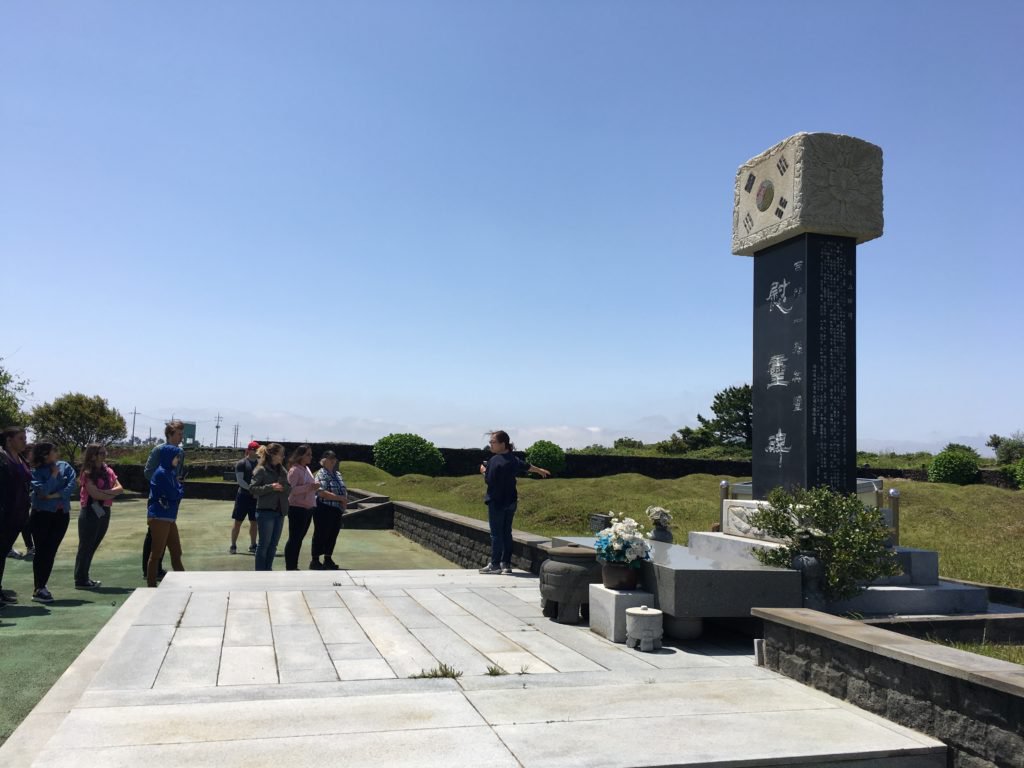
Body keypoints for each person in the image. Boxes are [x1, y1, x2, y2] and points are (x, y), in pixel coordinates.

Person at [478, 430, 550, 575]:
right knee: (506, 533)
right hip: (511, 501)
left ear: (502, 444)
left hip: (497, 502)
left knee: (496, 534)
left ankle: (495, 564)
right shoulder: (513, 459)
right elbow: (526, 466)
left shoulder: (494, 460)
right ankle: (506, 564)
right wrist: (540, 470)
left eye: (493, 442)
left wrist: (483, 471)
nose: (490, 445)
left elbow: (490, 481)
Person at [28, 442, 77, 603]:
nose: (57, 453)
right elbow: (42, 491)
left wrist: (55, 495)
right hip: (41, 515)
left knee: (51, 550)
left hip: (61, 514)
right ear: (44, 455)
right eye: (53, 451)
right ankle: (39, 587)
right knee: (42, 551)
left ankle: (42, 585)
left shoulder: (65, 466)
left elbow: (72, 485)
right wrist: (54, 476)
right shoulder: (35, 471)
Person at [75, 443, 123, 589]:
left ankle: (85, 577)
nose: (105, 455)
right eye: (101, 453)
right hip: (90, 511)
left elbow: (120, 488)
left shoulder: (108, 470)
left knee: (93, 545)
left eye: (105, 453)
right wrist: (110, 492)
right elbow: (94, 494)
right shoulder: (87, 473)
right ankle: (80, 579)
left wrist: (106, 493)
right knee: (86, 546)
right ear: (93, 455)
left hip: (105, 511)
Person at [142, 420, 185, 579]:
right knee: (154, 536)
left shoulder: (180, 452)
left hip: (172, 501)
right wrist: (164, 483)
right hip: (159, 500)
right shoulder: (159, 450)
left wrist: (176, 482)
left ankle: (159, 570)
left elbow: (177, 475)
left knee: (169, 539)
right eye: (179, 434)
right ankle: (150, 572)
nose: (181, 437)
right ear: (170, 434)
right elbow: (148, 472)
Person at [0, 426, 32, 605]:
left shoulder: (21, 459)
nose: (24, 441)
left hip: (18, 514)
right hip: (5, 513)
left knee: (2, 553)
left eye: (25, 438)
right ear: (9, 440)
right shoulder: (2, 458)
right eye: (21, 438)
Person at [249, 443, 290, 571]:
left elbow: (289, 488)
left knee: (273, 545)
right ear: (273, 454)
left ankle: (268, 570)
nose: (283, 457)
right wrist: (270, 487)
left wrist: (285, 488)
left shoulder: (283, 471)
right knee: (264, 545)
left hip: (280, 512)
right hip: (266, 512)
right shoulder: (261, 470)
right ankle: (260, 572)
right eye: (281, 454)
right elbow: (252, 489)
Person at [284, 444, 319, 571]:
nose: (311, 457)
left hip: (308, 508)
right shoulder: (294, 470)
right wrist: (310, 487)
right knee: (294, 538)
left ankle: (294, 566)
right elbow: (291, 490)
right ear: (300, 456)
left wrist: (313, 486)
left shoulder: (306, 469)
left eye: (310, 454)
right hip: (297, 508)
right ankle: (290, 566)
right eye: (308, 454)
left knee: (299, 538)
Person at [311, 450, 348, 570]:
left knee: (332, 534)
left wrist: (343, 502)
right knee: (321, 534)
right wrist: (340, 498)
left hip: (336, 509)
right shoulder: (321, 474)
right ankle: (315, 560)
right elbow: (321, 492)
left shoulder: (337, 474)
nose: (332, 460)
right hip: (324, 508)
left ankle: (328, 558)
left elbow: (343, 489)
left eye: (334, 458)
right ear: (323, 461)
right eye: (329, 458)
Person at [230, 441, 260, 554]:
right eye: (254, 449)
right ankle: (233, 545)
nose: (257, 451)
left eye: (257, 449)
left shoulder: (260, 464)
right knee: (238, 522)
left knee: (254, 522)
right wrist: (252, 490)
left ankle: (253, 545)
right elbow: (240, 481)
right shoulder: (241, 463)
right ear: (249, 450)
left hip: (255, 498)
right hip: (243, 497)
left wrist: (258, 492)